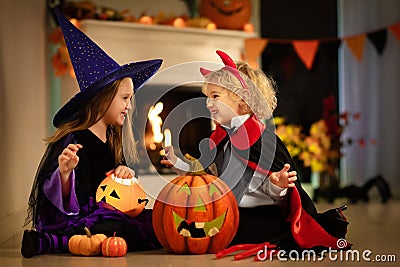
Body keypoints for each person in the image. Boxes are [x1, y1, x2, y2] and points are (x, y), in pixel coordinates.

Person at [161, 50, 350, 253]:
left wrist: (277, 185)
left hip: (260, 216)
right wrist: (180, 166)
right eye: (207, 97)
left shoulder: (261, 140)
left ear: (243, 100)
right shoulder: (221, 138)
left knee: (212, 229)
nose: (208, 103)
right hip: (229, 211)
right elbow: (207, 179)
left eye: (215, 96)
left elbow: (270, 192)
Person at [21, 9, 163, 258]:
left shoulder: (112, 139)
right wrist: (65, 172)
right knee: (111, 228)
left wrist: (124, 174)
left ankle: (74, 241)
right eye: (125, 98)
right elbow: (58, 200)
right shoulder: (74, 139)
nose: (129, 107)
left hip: (110, 213)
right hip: (83, 217)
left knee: (155, 220)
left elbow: (117, 188)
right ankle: (51, 241)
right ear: (102, 100)